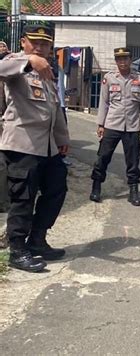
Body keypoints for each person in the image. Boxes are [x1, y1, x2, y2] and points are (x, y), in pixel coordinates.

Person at [0, 25, 69, 272]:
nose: (40, 48)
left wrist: (62, 138)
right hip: (22, 145)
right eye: (34, 43)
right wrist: (29, 60)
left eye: (45, 44)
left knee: (57, 187)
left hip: (48, 146)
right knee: (23, 197)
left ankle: (37, 239)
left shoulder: (48, 72)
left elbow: (54, 107)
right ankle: (17, 250)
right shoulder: (15, 63)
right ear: (23, 42)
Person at [89, 47, 140, 207]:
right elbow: (103, 102)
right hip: (112, 124)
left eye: (125, 59)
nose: (122, 62)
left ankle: (133, 191)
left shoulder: (139, 79)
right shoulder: (109, 78)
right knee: (103, 157)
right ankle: (96, 187)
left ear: (130, 60)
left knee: (133, 161)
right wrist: (100, 124)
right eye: (119, 59)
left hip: (132, 127)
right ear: (116, 61)